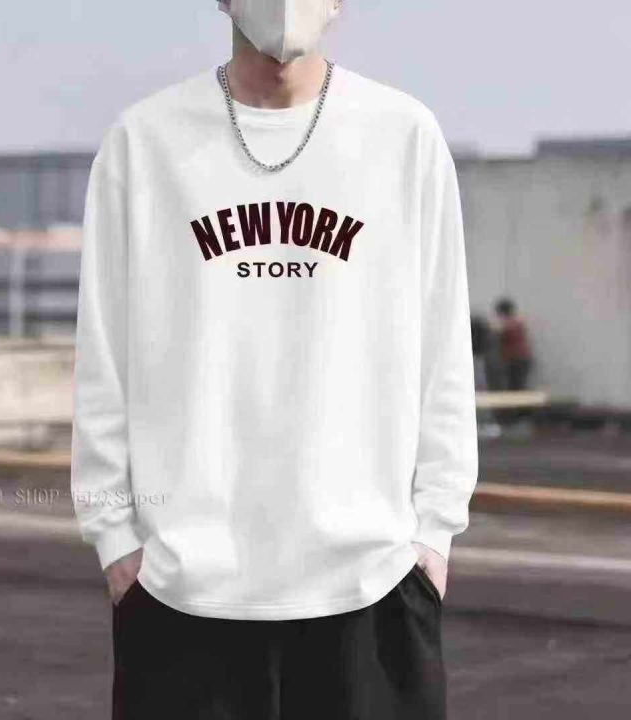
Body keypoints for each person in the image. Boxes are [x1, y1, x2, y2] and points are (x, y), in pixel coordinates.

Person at [70, 2, 479, 718]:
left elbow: (442, 348)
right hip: (180, 591)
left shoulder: (402, 136)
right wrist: (115, 539)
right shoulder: (145, 142)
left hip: (373, 584)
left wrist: (433, 535)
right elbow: (104, 353)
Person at [493, 297, 533, 391]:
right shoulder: (517, 322)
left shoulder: (510, 324)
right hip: (521, 359)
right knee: (517, 386)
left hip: (516, 360)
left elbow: (503, 333)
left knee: (515, 387)